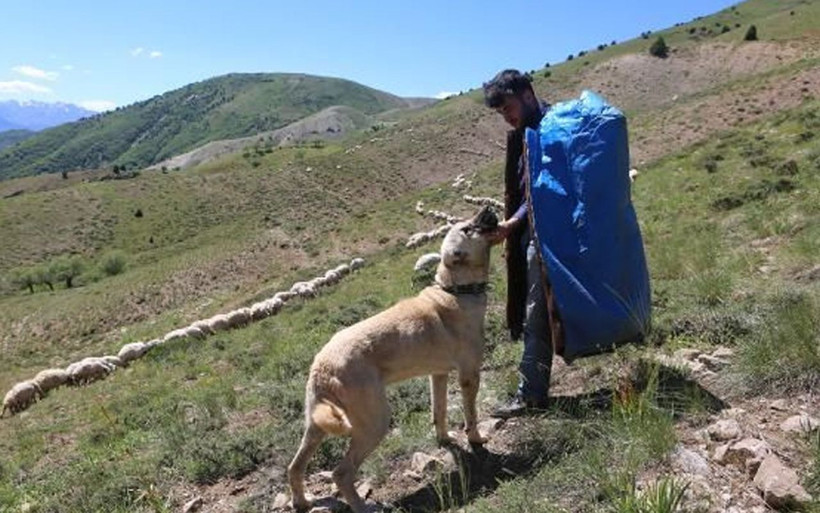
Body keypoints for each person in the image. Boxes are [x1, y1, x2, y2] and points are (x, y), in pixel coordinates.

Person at [483, 69, 555, 418]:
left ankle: (531, 395)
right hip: (532, 233)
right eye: (501, 114)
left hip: (548, 237)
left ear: (528, 93)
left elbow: (543, 189)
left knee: (535, 313)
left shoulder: (550, 131)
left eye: (508, 107)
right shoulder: (527, 134)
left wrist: (512, 222)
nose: (507, 117)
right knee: (536, 312)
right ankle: (534, 389)